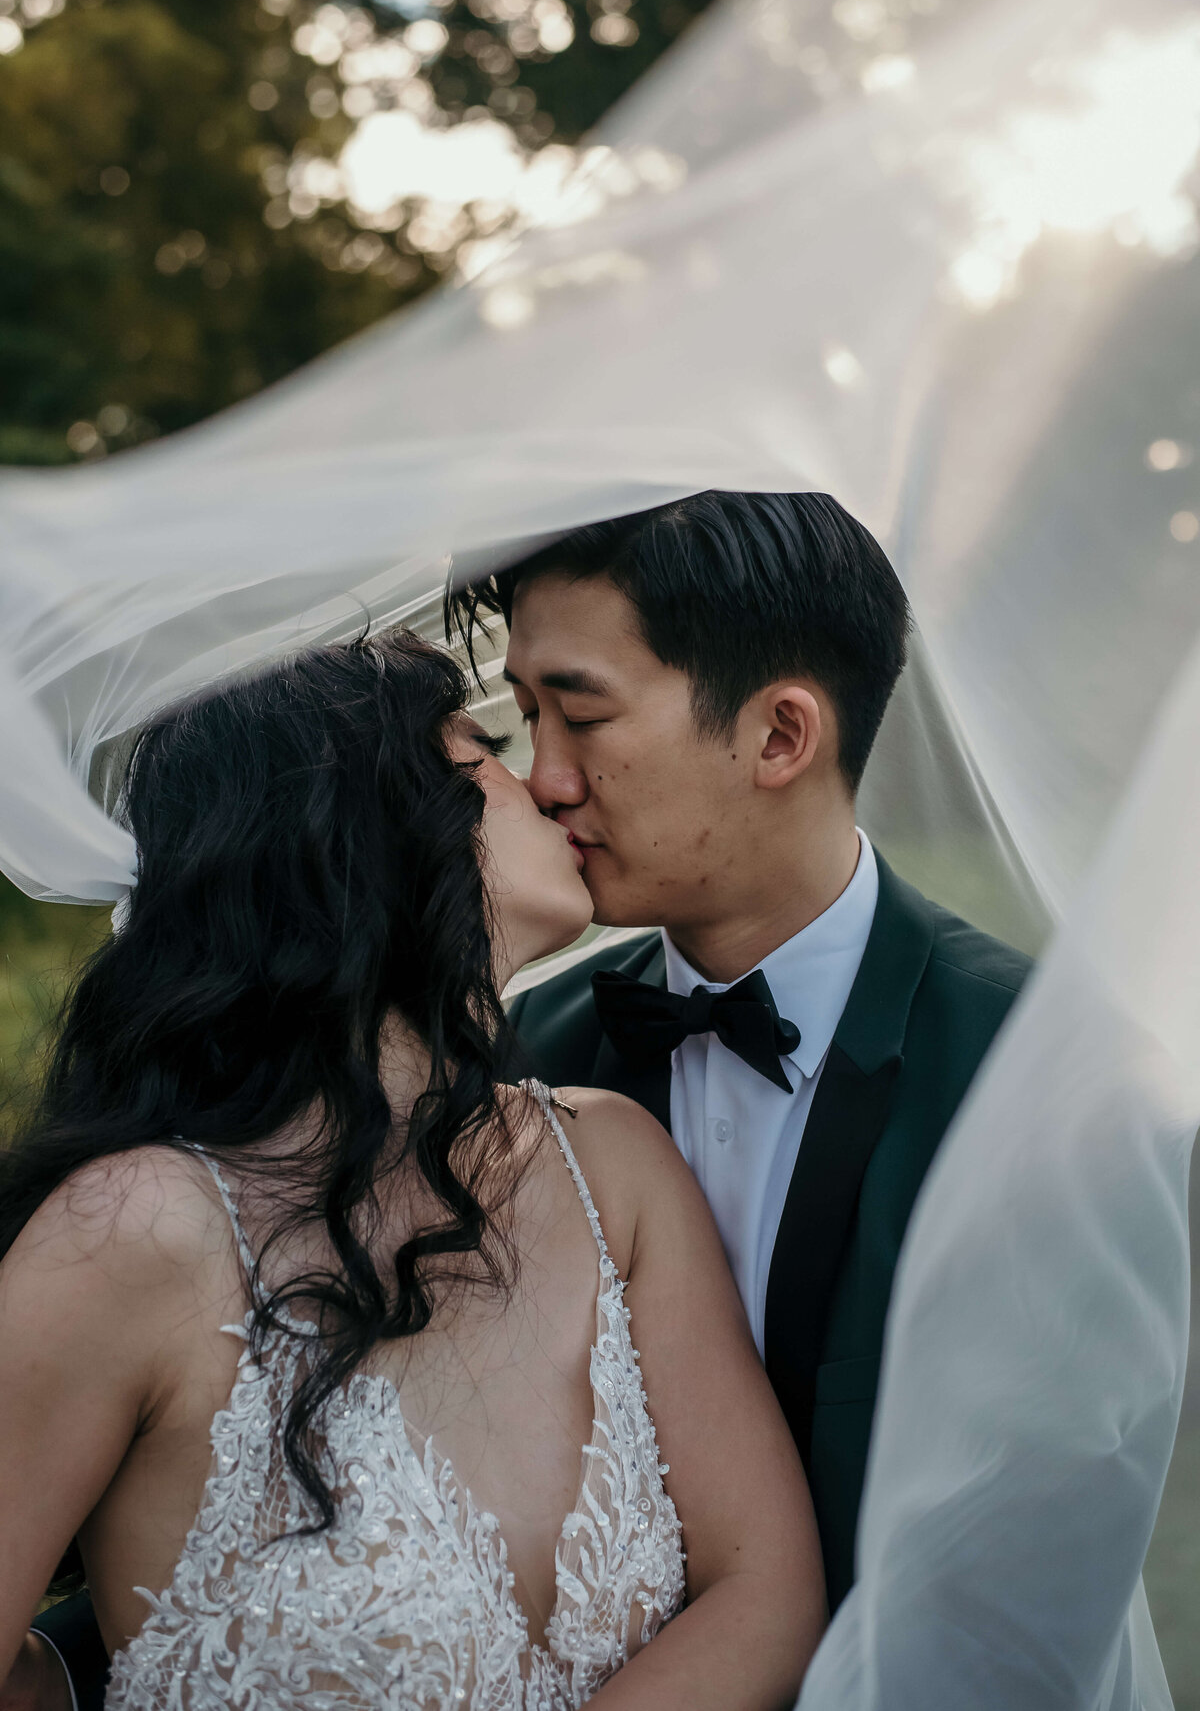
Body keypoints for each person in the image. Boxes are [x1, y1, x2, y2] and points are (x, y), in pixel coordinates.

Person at [0, 630, 824, 1711]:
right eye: (483, 752)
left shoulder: (610, 1163)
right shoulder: (135, 1231)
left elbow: (766, 1588)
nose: (543, 783)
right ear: (367, 828)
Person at [448, 489, 1033, 1615]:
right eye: (526, 719)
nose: (544, 779)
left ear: (780, 735)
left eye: (583, 715)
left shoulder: (1030, 1071)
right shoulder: (515, 1060)